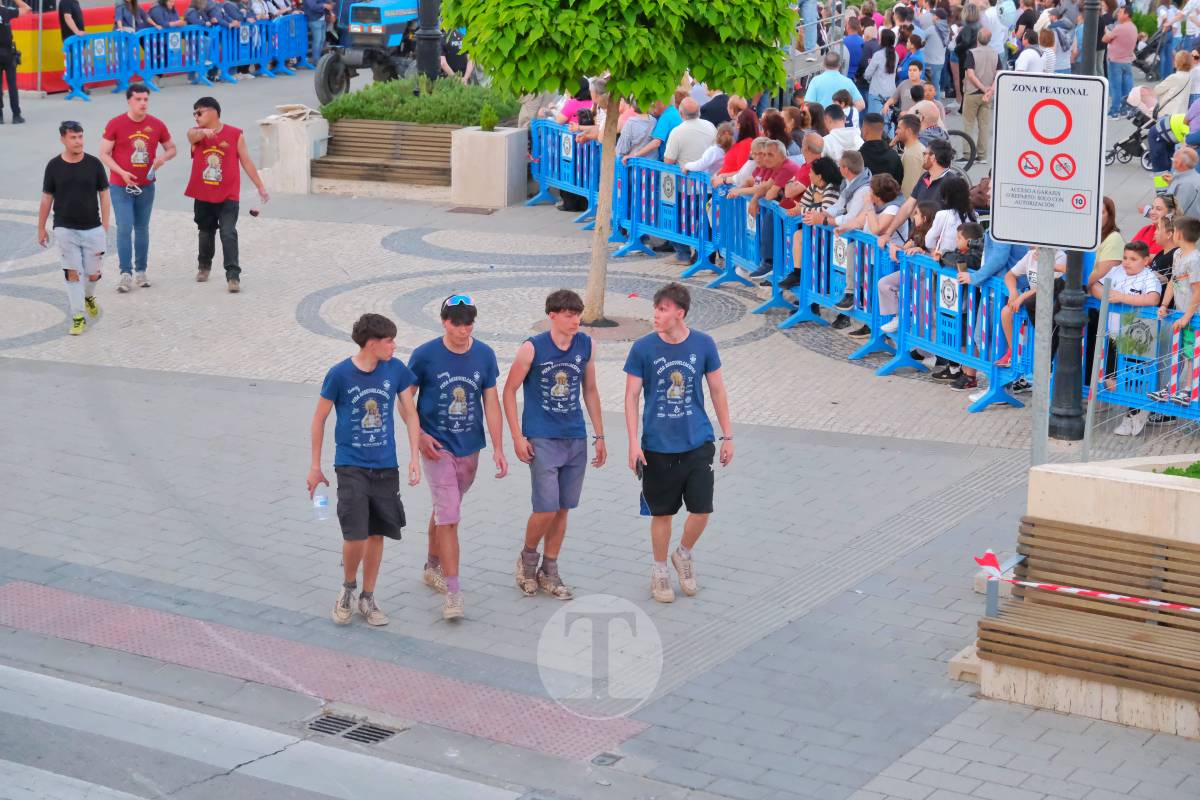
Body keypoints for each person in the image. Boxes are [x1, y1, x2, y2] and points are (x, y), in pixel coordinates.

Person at [308, 313, 421, 626]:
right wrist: (315, 466)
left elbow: (410, 415)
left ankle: (368, 597)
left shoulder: (395, 370)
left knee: (377, 534)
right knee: (355, 534)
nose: (394, 346)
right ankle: (347, 588)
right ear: (372, 343)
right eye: (389, 341)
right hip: (350, 465)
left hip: (386, 467)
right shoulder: (339, 375)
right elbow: (319, 419)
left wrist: (414, 456)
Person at [623, 283, 733, 604]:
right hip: (657, 445)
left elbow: (718, 391)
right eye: (655, 309)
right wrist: (633, 443)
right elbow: (630, 397)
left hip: (698, 440)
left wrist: (728, 435)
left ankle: (683, 554)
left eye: (662, 310)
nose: (656, 316)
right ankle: (659, 571)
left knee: (701, 510)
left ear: (679, 313)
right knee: (663, 514)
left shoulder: (703, 344)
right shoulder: (643, 349)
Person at [502, 290, 605, 600]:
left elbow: (590, 390)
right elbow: (509, 392)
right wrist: (518, 436)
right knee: (545, 507)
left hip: (574, 436)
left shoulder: (586, 345)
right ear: (552, 316)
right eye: (569, 315)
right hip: (542, 437)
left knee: (563, 508)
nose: (576, 320)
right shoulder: (531, 349)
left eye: (578, 314)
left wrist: (599, 435)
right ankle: (527, 560)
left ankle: (551, 570)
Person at [409, 295, 507, 620]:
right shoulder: (424, 356)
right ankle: (453, 592)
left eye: (468, 323)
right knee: (450, 516)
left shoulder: (484, 355)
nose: (463, 330)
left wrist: (498, 447)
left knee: (445, 509)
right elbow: (404, 399)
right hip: (437, 447)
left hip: (470, 447)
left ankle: (432, 565)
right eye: (456, 323)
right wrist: (420, 436)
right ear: (443, 321)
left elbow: (491, 402)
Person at [184, 96, 269, 293]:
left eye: (200, 112)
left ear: (213, 112)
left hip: (228, 195)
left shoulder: (234, 134)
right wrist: (203, 132)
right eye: (194, 113)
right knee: (205, 231)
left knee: (228, 232)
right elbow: (190, 135)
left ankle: (233, 275)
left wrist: (260, 187)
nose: (196, 117)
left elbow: (246, 162)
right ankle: (204, 266)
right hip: (203, 194)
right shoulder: (196, 134)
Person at [100, 84, 176, 293]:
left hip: (146, 186)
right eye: (138, 99)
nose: (143, 103)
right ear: (129, 101)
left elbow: (172, 148)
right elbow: (104, 153)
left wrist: (162, 158)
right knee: (125, 227)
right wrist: (122, 172)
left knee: (142, 228)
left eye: (145, 99)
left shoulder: (156, 124)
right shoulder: (116, 124)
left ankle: (141, 271)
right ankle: (125, 273)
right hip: (120, 186)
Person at [37, 121, 110, 336]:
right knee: (72, 273)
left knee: (93, 274)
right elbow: (46, 199)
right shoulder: (53, 166)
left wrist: (105, 225)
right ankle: (78, 316)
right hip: (64, 228)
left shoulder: (94, 164)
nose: (78, 141)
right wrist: (41, 228)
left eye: (80, 137)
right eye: (73, 138)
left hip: (93, 228)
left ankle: (88, 297)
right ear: (63, 140)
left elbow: (104, 195)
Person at [1087, 241, 1159, 434]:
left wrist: (1122, 298)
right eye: (1125, 258)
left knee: (1133, 377)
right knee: (1112, 377)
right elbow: (1095, 286)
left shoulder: (1148, 278)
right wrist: (1107, 296)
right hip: (1112, 334)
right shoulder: (1117, 271)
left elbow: (1152, 299)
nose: (1127, 262)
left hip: (1138, 338)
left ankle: (1134, 413)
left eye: (1133, 259)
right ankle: (1130, 409)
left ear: (1145, 261)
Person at [1151, 217, 1200, 405]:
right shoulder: (1178, 254)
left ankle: (1188, 390)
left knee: (1189, 352)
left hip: (1192, 315)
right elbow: (1173, 280)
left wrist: (1188, 316)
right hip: (1180, 312)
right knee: (1177, 350)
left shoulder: (1195, 259)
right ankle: (1169, 388)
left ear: (1178, 234)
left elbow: (1198, 290)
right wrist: (1164, 305)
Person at [996, 247, 1068, 368]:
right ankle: (1013, 352)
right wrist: (1013, 292)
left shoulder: (1060, 256)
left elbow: (1051, 283)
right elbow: (1010, 275)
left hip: (1049, 301)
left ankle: (1043, 363)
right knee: (1006, 312)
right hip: (1032, 299)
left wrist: (1022, 296)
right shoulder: (1030, 254)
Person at [962, 28, 1000, 166]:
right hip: (988, 94)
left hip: (973, 92)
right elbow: (999, 74)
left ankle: (967, 154)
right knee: (984, 125)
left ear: (977, 39)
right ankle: (982, 155)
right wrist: (990, 91)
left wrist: (983, 89)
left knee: (968, 123)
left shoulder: (972, 53)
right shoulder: (996, 54)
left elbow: (970, 74)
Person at [1104, 4, 1137, 117]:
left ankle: (1114, 112)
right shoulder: (1133, 27)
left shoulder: (1119, 28)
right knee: (1127, 87)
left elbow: (1104, 39)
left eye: (1120, 12)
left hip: (1116, 61)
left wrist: (1108, 33)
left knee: (1115, 87)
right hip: (1127, 61)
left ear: (1127, 14)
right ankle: (1125, 109)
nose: (1118, 14)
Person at [0, 0, 29, 124]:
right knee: (12, 85)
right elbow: (26, 8)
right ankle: (16, 115)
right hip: (7, 53)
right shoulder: (6, 11)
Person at [858, 112, 903, 183]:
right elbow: (899, 182)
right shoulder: (894, 156)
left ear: (865, 130)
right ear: (882, 131)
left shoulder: (859, 157)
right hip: (889, 193)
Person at [864, 29, 899, 114]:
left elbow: (867, 74)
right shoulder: (896, 55)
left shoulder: (878, 55)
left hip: (876, 93)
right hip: (891, 92)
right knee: (888, 121)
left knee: (875, 121)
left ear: (883, 40)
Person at [896, 113, 926, 196]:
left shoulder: (912, 154)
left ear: (908, 131)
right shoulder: (913, 148)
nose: (896, 131)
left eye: (899, 128)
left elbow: (910, 188)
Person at [1166, 146, 1200, 219]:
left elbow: (1176, 212)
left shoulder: (1184, 185)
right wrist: (1171, 184)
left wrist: (1148, 211)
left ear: (1179, 163)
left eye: (1173, 159)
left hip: (1185, 227)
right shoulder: (1195, 177)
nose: (1172, 161)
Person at [302, 0, 332, 68]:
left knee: (322, 40)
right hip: (314, 19)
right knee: (317, 41)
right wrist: (324, 5)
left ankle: (319, 60)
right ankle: (316, 62)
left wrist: (328, 4)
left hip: (322, 19)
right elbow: (313, 6)